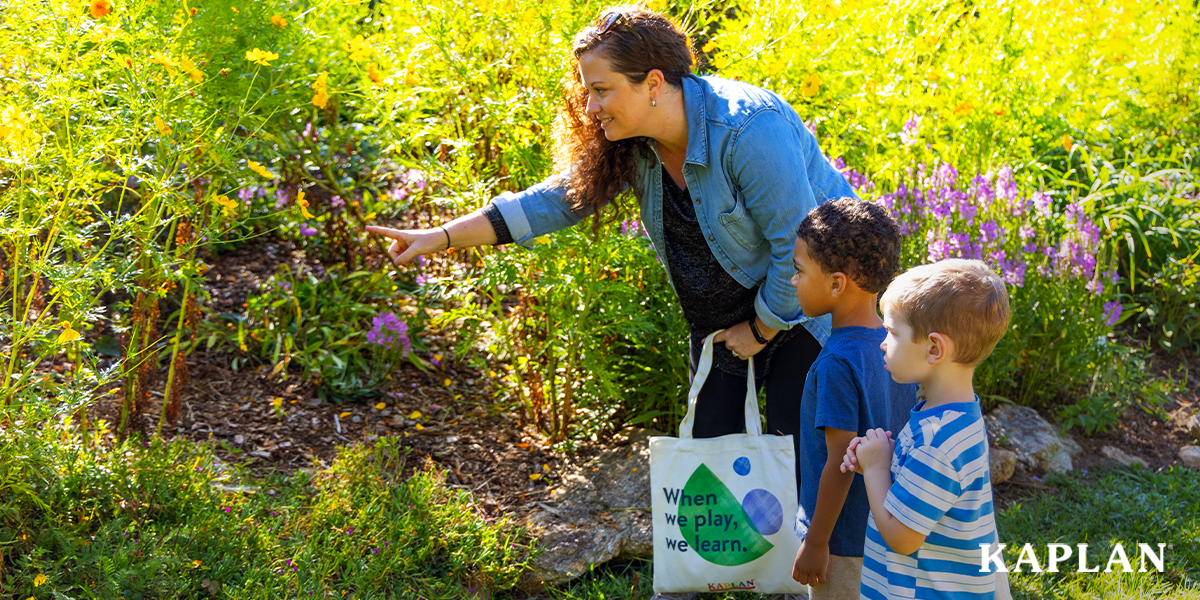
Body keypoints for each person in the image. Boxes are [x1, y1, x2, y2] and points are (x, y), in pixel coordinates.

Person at [367, 9, 853, 598]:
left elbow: (796, 247)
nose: (591, 107)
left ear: (653, 83)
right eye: (587, 91)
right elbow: (555, 200)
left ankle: (818, 584)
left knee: (800, 459)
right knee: (711, 474)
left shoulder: (749, 129)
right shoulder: (635, 144)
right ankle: (730, 585)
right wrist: (440, 237)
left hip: (807, 311)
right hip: (724, 325)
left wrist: (763, 326)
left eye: (602, 90)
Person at [840, 259, 1011, 600]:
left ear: (934, 348)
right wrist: (882, 461)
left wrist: (875, 470)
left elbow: (902, 538)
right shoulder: (951, 417)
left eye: (892, 332)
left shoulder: (937, 443)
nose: (883, 343)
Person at [787, 198, 918, 600]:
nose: (792, 280)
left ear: (836, 283)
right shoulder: (895, 346)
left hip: (843, 544)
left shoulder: (836, 363)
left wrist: (815, 543)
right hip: (889, 527)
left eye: (799, 270)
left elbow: (839, 464)